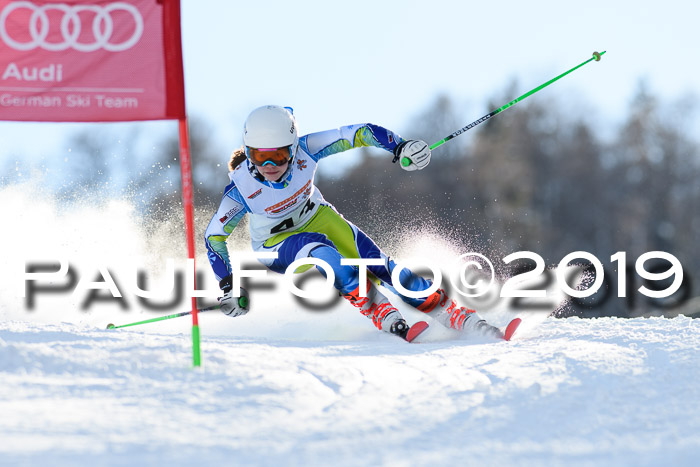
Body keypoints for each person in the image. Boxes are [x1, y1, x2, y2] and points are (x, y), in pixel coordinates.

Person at [204, 105, 507, 341]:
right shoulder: (241, 189)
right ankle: (379, 310)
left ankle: (452, 314)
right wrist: (228, 284)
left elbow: (360, 132)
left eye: (280, 155)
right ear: (248, 152)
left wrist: (399, 147)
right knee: (321, 251)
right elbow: (214, 237)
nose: (270, 166)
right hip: (275, 244)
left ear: (293, 147)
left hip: (317, 216)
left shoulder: (308, 149)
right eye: (259, 156)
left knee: (380, 265)